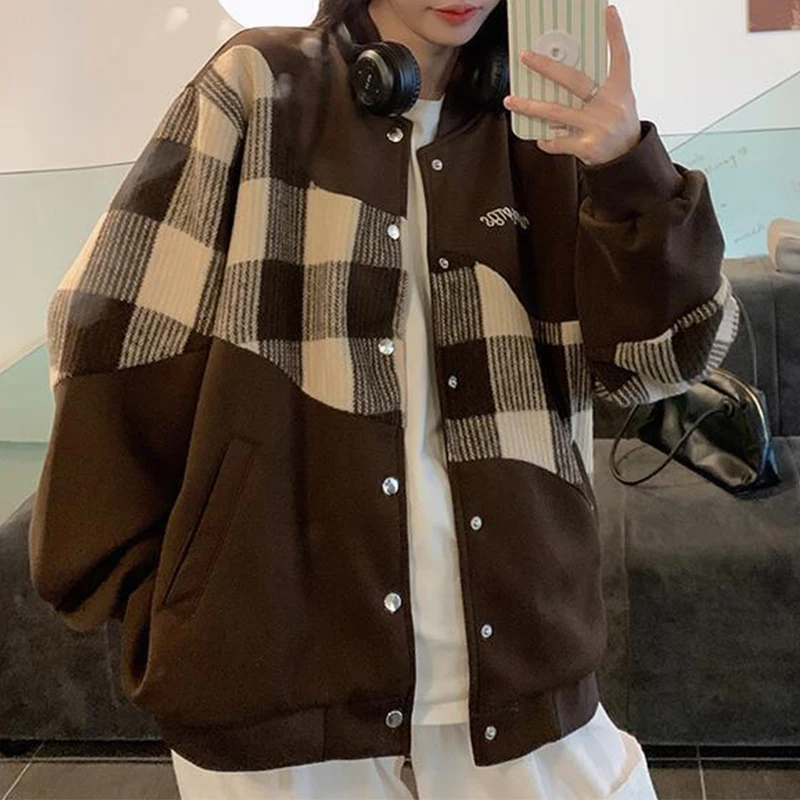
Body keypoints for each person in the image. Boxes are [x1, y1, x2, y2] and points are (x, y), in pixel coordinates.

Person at [28, 0, 740, 797]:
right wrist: (166, 597)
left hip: (522, 664)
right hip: (278, 679)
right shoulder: (259, 85)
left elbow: (665, 365)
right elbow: (111, 334)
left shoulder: (548, 133)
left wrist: (628, 169)